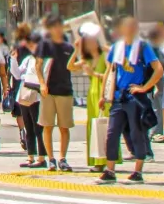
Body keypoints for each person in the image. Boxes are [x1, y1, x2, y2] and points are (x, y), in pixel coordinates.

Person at [99, 16, 164, 184]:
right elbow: (110, 70)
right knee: (112, 133)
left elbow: (158, 69)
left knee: (137, 132)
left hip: (134, 96)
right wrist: (104, 94)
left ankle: (138, 170)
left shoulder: (142, 47)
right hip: (118, 96)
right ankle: (110, 170)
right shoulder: (117, 47)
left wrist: (144, 87)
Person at [35, 15, 75, 172]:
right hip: (48, 91)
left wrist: (78, 48)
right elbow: (38, 66)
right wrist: (42, 84)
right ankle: (50, 158)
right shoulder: (44, 45)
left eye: (60, 26)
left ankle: (62, 158)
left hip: (65, 90)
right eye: (55, 27)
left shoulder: (69, 47)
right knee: (48, 125)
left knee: (64, 126)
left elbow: (74, 66)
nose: (58, 29)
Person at [68, 23, 110, 170]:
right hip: (92, 93)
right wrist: (75, 50)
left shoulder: (105, 55)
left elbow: (109, 74)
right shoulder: (87, 59)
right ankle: (97, 160)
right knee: (94, 126)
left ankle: (104, 161)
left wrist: (94, 74)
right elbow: (70, 66)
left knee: (103, 127)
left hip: (102, 93)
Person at [15, 33, 48, 168]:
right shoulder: (28, 59)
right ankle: (30, 156)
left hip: (38, 95)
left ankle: (41, 157)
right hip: (25, 94)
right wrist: (13, 60)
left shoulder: (44, 59)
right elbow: (17, 73)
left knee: (38, 127)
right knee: (28, 126)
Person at [9, 22, 32, 151]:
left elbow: (12, 66)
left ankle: (22, 131)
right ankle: (29, 132)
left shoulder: (16, 47)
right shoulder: (33, 45)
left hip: (19, 80)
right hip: (32, 79)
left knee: (20, 110)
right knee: (32, 107)